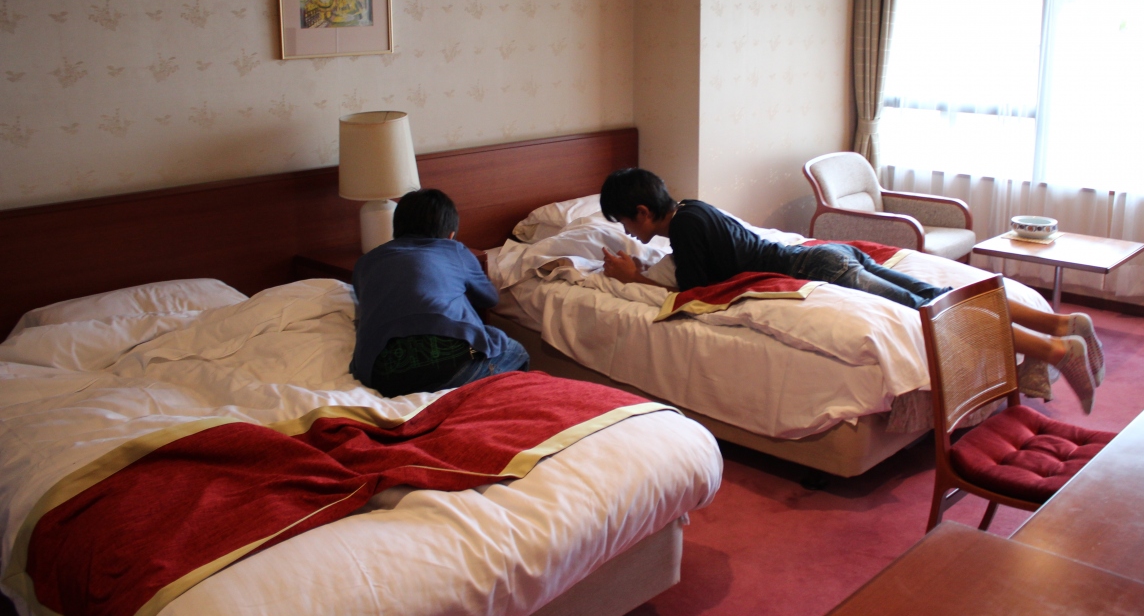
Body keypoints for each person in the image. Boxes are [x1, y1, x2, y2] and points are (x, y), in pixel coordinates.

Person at [596, 168, 1101, 384]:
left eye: (624, 222)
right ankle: (1059, 324)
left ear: (642, 211)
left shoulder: (685, 229)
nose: (627, 232)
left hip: (820, 266)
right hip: (831, 254)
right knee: (939, 294)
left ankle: (1056, 351)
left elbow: (696, 292)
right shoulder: (694, 208)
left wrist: (633, 278)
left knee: (934, 311)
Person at [349, 188, 529, 397]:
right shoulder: (455, 250)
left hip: (380, 373)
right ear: (450, 235)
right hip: (449, 362)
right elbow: (489, 298)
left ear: (396, 228)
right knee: (516, 352)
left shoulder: (365, 262)